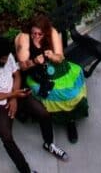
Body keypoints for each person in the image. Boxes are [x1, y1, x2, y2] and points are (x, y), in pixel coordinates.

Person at [0, 34, 69, 168]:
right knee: (6, 136)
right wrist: (12, 94)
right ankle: (25, 170)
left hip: (15, 94)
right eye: (3, 58)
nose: (7, 59)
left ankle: (49, 144)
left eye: (7, 56)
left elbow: (17, 75)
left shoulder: (6, 57)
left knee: (43, 113)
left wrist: (14, 97)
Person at [15, 14, 85, 144]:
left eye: (40, 34)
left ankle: (70, 119)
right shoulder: (24, 38)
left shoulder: (52, 32)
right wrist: (35, 61)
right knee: (56, 92)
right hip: (36, 74)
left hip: (54, 68)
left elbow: (60, 57)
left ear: (45, 32)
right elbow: (23, 66)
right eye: (34, 33)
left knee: (70, 90)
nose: (36, 36)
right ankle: (63, 117)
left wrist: (53, 56)